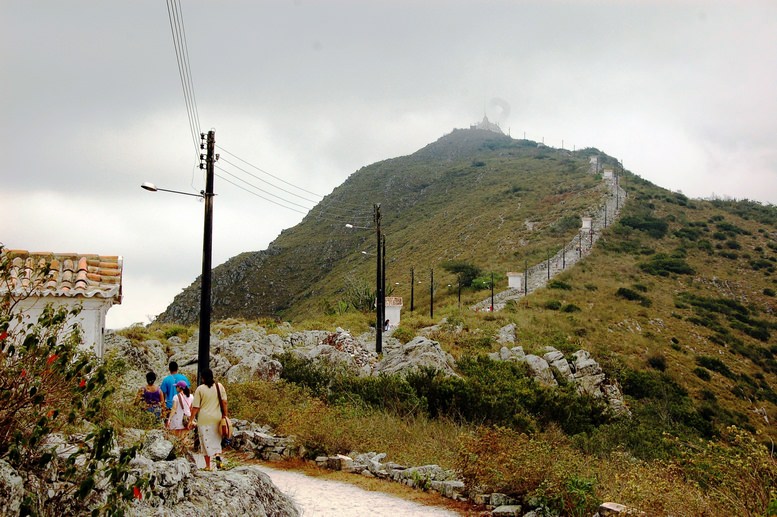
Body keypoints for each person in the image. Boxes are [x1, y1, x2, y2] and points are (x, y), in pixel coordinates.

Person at [187, 369, 227, 471]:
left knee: (205, 442)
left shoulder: (200, 389)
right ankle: (218, 459)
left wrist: (191, 420)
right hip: (217, 418)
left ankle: (208, 466)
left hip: (204, 419)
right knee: (216, 440)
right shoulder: (219, 386)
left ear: (203, 378)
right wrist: (225, 416)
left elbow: (195, 407)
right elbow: (224, 402)